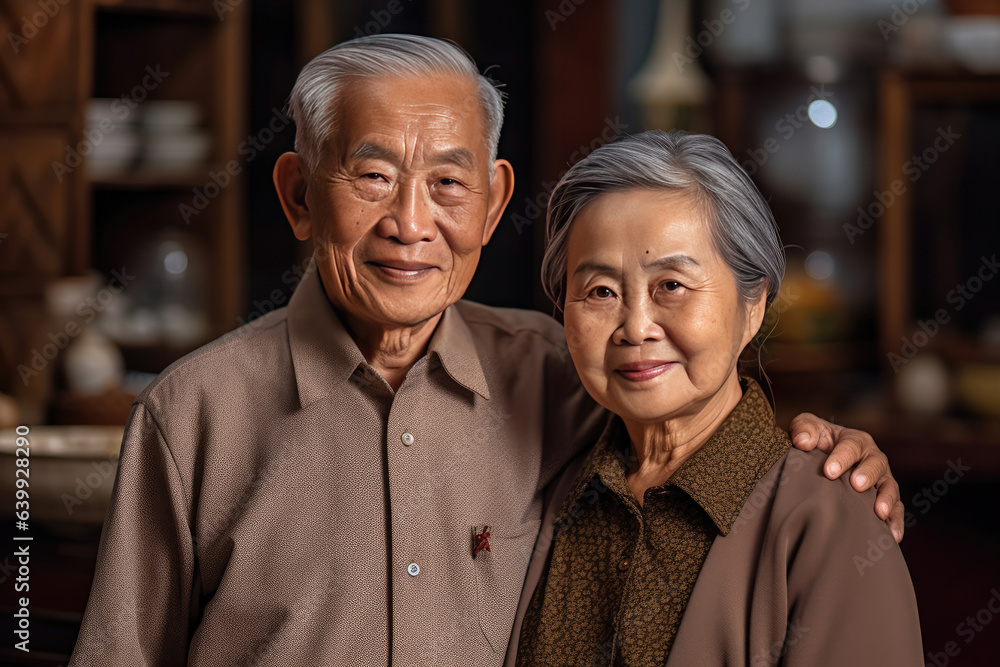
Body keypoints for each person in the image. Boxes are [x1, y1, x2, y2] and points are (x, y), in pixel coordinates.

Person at [70, 36, 903, 666]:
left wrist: (830, 463)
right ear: (297, 195)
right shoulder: (193, 413)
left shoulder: (558, 377)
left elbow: (700, 416)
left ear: (495, 200)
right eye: (371, 177)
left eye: (448, 182)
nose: (411, 223)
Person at [512, 130, 922, 666]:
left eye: (672, 286)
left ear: (753, 306)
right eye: (601, 292)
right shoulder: (552, 488)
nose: (635, 328)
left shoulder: (831, 519)